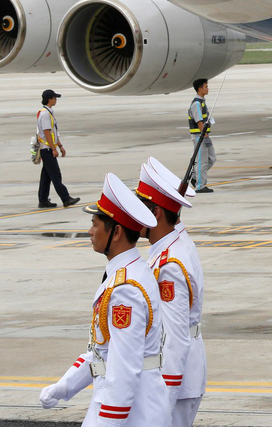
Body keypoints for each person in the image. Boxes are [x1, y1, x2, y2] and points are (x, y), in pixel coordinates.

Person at [38, 173, 170, 423]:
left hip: (132, 412)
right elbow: (102, 352)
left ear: (116, 232)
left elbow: (124, 368)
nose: (89, 231)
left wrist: (108, 420)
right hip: (127, 406)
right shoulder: (124, 275)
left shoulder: (126, 289)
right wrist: (65, 386)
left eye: (95, 224)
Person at [137, 158, 207, 427]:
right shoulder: (172, 242)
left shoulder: (170, 265)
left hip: (176, 380)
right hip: (180, 375)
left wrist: (162, 400)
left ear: (156, 213)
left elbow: (176, 338)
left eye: (140, 207)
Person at [36, 89, 79, 209]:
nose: (56, 100)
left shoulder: (48, 112)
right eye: (55, 98)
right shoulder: (45, 114)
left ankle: (43, 200)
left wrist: (60, 146)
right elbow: (47, 133)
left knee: (46, 176)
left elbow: (53, 132)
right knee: (55, 175)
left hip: (48, 148)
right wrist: (54, 148)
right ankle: (66, 198)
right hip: (47, 149)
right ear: (49, 99)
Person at [187, 78, 216, 192]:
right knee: (202, 161)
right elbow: (199, 121)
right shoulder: (196, 104)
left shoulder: (202, 102)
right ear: (200, 89)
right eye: (206, 87)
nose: (208, 89)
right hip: (200, 136)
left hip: (204, 135)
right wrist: (204, 136)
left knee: (211, 159)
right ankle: (200, 186)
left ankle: (195, 177)